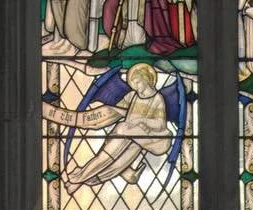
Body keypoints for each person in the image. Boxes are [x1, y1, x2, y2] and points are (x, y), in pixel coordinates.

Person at [61, 63, 173, 194]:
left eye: (137, 82)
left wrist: (142, 120)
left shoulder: (157, 98)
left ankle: (77, 182)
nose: (135, 86)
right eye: (133, 83)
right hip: (124, 133)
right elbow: (120, 110)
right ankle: (79, 178)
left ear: (146, 79)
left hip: (140, 139)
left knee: (116, 166)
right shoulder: (133, 95)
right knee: (104, 158)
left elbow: (160, 124)